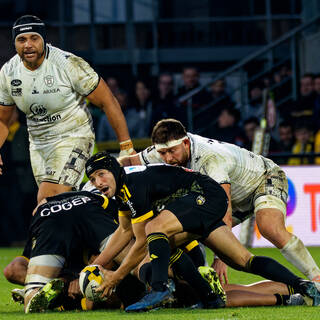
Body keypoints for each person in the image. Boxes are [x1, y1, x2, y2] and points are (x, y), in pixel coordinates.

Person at [86, 151, 320, 312]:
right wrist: (97, 265)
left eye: (101, 174)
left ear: (115, 171)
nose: (97, 182)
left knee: (154, 230)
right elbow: (125, 230)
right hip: (197, 205)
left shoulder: (131, 185)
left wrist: (117, 276)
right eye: (93, 179)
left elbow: (139, 241)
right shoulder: (120, 193)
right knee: (242, 260)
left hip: (204, 194)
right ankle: (304, 286)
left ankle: (159, 288)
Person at [120, 118, 320, 286]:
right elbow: (129, 162)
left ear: (186, 143)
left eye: (172, 152)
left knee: (269, 227)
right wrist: (99, 173)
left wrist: (220, 258)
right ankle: (192, 285)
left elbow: (223, 207)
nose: (168, 158)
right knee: (180, 231)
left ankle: (316, 279)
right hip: (228, 195)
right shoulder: (164, 150)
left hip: (262, 179)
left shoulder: (210, 159)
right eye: (163, 154)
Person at [0, 15, 135, 204]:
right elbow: (2, 120)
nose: (28, 45)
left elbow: (108, 101)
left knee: (47, 200)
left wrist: (126, 146)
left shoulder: (68, 64)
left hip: (74, 136)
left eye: (34, 38)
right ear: (14, 43)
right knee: (64, 207)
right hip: (39, 144)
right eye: (21, 40)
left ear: (44, 39)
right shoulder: (8, 72)